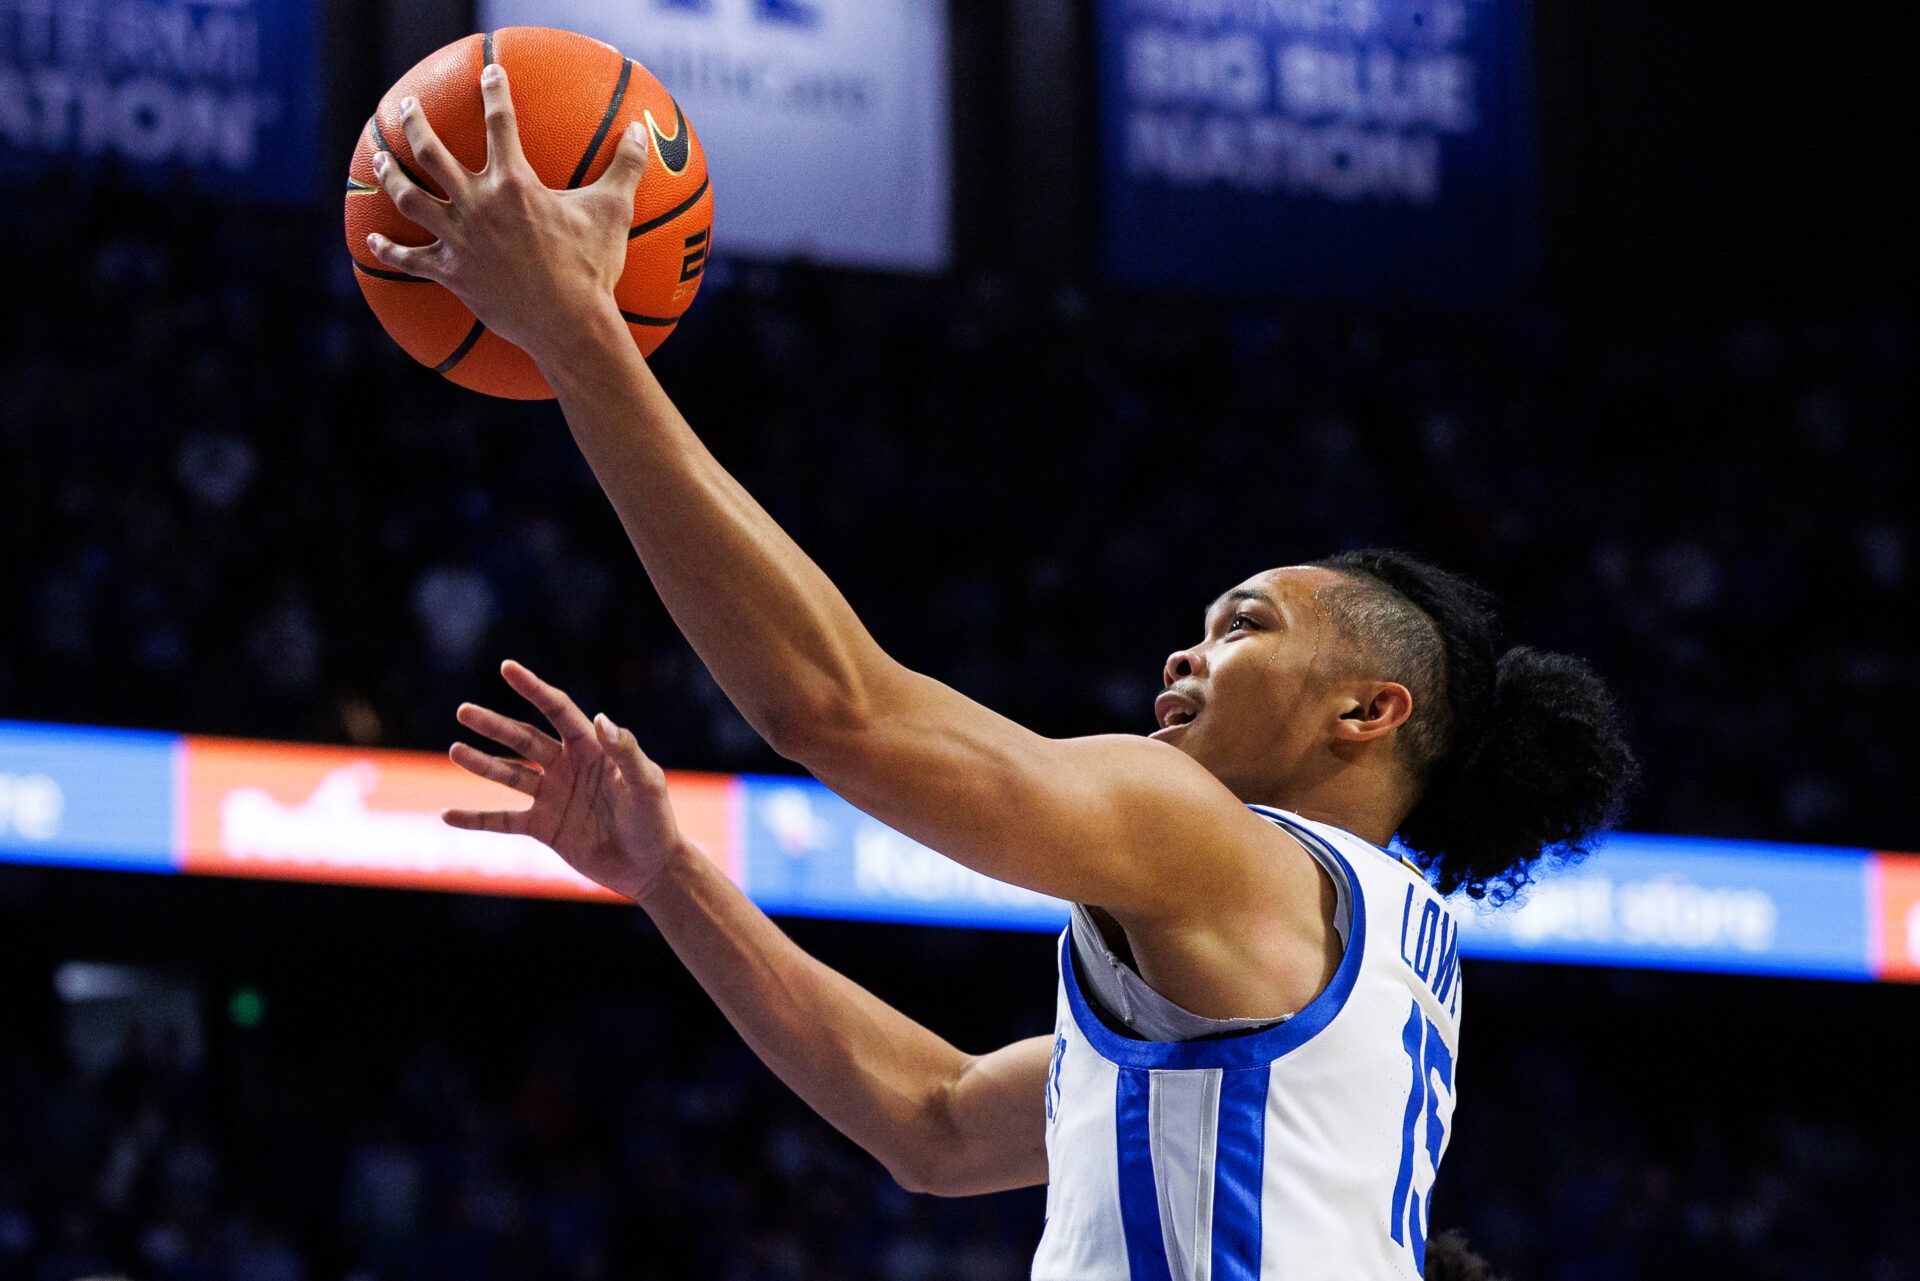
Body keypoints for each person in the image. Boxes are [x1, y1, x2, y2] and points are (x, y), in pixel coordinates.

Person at [370, 67, 1638, 1279]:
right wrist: (670, 877)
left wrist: (581, 335)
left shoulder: (1219, 850)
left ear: (1367, 710)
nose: (1187, 651)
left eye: (1246, 626)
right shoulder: (1367, 955)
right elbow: (933, 1122)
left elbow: (835, 710)